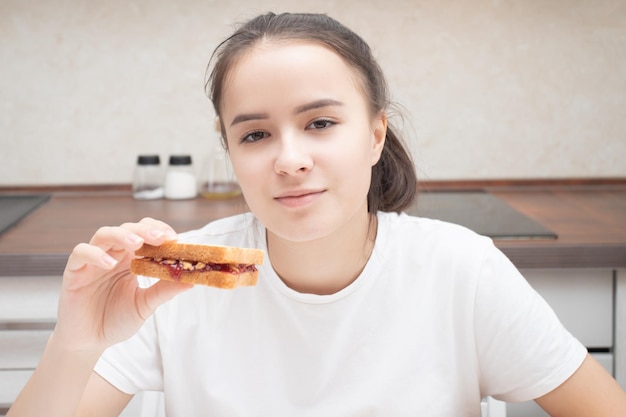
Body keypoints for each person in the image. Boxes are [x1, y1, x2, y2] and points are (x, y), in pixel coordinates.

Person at [8, 12, 626, 417]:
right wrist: (76, 341)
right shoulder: (184, 275)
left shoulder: (459, 269)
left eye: (321, 123)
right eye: (255, 135)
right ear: (230, 153)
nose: (290, 159)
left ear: (377, 135)